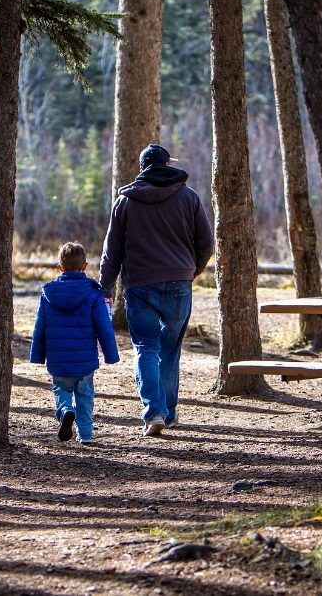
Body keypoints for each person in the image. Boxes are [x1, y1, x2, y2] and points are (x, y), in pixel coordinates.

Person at [100, 144, 214, 437]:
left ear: (142, 168)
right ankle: (169, 412)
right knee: (170, 350)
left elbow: (111, 252)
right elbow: (206, 243)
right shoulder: (188, 197)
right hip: (179, 283)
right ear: (166, 165)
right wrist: (192, 270)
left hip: (139, 285)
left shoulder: (125, 202)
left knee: (145, 348)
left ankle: (155, 412)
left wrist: (105, 285)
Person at [30, 242, 120, 443]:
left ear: (60, 268)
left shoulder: (48, 294)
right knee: (85, 396)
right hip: (84, 360)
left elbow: (40, 325)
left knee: (61, 389)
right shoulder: (94, 293)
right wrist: (111, 355)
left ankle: (65, 411)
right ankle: (86, 435)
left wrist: (37, 355)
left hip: (58, 359)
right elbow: (103, 326)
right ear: (85, 266)